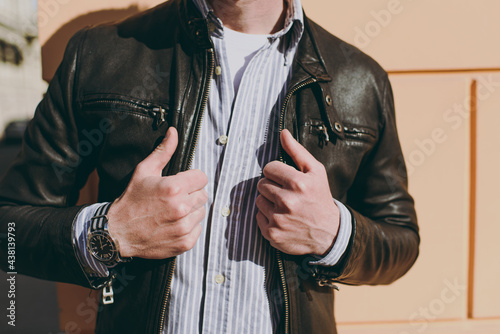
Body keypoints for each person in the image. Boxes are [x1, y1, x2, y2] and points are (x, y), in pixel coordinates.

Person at [0, 0, 420, 333]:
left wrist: (333, 232)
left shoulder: (360, 79)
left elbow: (401, 242)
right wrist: (110, 234)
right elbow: (10, 231)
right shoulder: (98, 53)